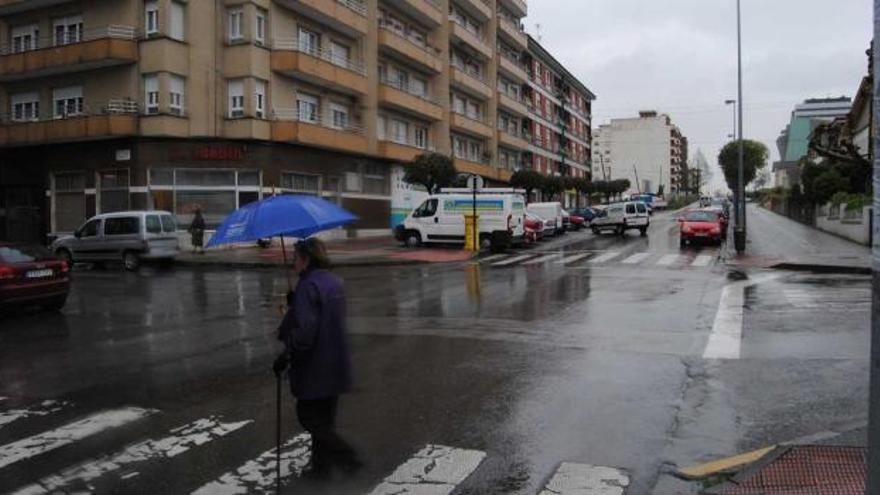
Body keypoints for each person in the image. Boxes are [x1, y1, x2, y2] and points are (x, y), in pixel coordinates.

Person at [274, 238, 361, 480]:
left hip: (315, 366)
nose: (292, 262)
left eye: (295, 257)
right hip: (336, 362)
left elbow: (305, 334)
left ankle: (348, 457)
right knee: (324, 420)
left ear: (306, 259)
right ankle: (321, 470)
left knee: (309, 417)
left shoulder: (307, 286)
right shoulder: (332, 281)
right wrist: (296, 305)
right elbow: (323, 318)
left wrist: (286, 353)